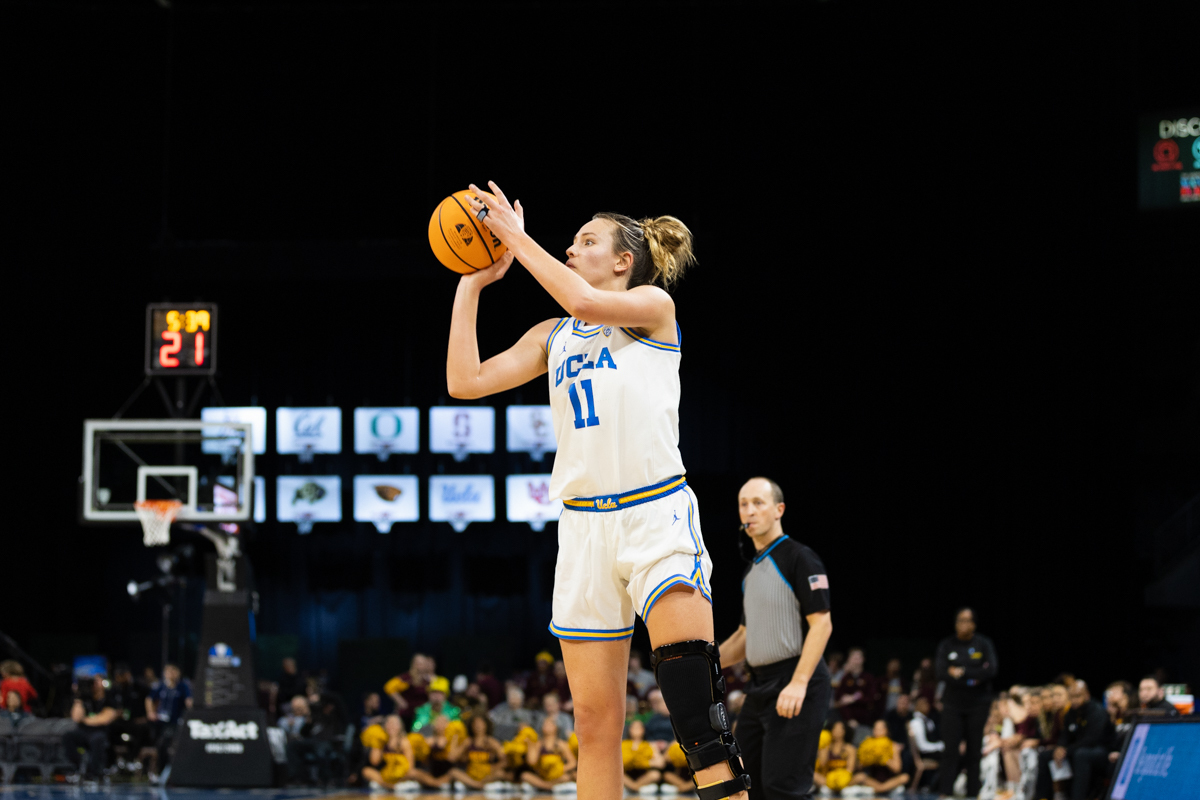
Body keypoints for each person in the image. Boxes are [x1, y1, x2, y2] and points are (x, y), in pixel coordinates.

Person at [447, 182, 747, 800]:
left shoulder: (652, 308)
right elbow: (464, 381)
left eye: (588, 241)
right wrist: (472, 282)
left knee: (696, 709)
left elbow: (582, 297)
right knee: (594, 723)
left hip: (654, 515)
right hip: (583, 530)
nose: (572, 247)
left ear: (623, 262)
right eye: (572, 241)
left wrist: (515, 237)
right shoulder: (551, 335)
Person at [719, 477, 834, 800]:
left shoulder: (800, 558)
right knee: (748, 784)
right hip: (760, 688)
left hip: (798, 681)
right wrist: (703, 664)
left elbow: (822, 625)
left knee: (784, 788)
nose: (749, 511)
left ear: (778, 509)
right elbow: (744, 636)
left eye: (758, 503)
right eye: (743, 504)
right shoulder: (750, 572)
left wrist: (798, 683)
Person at [935, 607, 998, 799]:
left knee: (974, 750)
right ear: (955, 624)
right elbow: (941, 672)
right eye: (960, 620)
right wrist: (974, 675)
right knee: (950, 750)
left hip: (978, 704)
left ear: (974, 624)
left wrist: (961, 673)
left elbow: (991, 670)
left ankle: (973, 794)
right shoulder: (947, 645)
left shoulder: (983, 644)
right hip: (953, 704)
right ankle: (945, 792)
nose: (963, 624)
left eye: (967, 620)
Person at [1034, 680, 1111, 800]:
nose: (1074, 700)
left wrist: (1066, 750)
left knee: (1081, 755)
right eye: (1071, 697)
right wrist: (1060, 747)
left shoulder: (1097, 711)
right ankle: (1043, 797)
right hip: (1075, 748)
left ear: (1086, 695)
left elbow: (1091, 740)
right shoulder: (1071, 712)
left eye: (1078, 696)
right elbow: (1065, 734)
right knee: (1045, 755)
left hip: (1100, 751)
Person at [360, 714, 441, 792]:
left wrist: (397, 769)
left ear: (400, 726)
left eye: (394, 723)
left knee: (413, 773)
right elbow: (374, 762)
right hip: (385, 775)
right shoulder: (381, 740)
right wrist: (377, 745)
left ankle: (437, 784)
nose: (391, 726)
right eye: (389, 723)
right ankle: (392, 786)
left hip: (401, 774)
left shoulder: (404, 742)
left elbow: (410, 766)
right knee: (366, 771)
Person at [65, 675, 121, 781]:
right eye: (93, 682)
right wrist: (78, 697)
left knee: (97, 740)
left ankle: (94, 773)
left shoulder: (109, 698)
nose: (94, 684)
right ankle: (76, 767)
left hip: (101, 731)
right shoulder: (84, 698)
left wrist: (86, 720)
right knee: (68, 736)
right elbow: (76, 718)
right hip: (83, 731)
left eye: (97, 681)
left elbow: (105, 719)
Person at [443, 714, 508, 790]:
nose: (478, 726)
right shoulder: (468, 741)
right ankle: (477, 785)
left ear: (486, 725)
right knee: (453, 772)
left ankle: (476, 785)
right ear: (471, 726)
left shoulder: (491, 742)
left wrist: (493, 768)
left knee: (500, 773)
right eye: (475, 724)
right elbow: (451, 758)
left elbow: (505, 761)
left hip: (487, 775)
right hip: (471, 775)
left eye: (480, 723)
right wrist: (455, 737)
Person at [851, 720, 910, 797]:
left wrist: (885, 760)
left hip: (888, 781)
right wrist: (868, 759)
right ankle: (881, 789)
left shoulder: (892, 746)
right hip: (872, 780)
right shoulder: (867, 744)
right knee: (859, 777)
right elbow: (858, 767)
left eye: (881, 729)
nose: (878, 732)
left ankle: (881, 788)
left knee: (905, 777)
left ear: (887, 731)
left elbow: (897, 769)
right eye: (875, 729)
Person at [519, 716, 577, 792]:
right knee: (525, 776)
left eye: (550, 724)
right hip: (542, 776)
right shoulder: (539, 744)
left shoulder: (561, 744)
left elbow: (573, 762)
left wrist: (560, 769)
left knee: (566, 777)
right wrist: (530, 745)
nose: (546, 726)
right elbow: (532, 762)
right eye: (545, 724)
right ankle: (549, 787)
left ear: (556, 727)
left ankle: (543, 787)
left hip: (557, 776)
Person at [833, 648, 878, 741]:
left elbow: (872, 698)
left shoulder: (868, 678)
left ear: (863, 659)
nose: (856, 660)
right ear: (849, 659)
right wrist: (848, 719)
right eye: (853, 657)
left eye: (858, 657)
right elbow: (839, 700)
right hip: (846, 723)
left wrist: (854, 698)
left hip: (865, 722)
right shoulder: (845, 678)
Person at [621, 719, 665, 792]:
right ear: (629, 730)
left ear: (643, 730)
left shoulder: (649, 745)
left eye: (639, 728)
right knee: (616, 775)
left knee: (655, 774)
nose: (636, 730)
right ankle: (636, 788)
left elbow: (661, 763)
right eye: (634, 728)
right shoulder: (623, 744)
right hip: (627, 773)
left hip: (643, 774)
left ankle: (634, 788)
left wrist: (643, 762)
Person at [814, 721, 855, 796]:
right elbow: (822, 764)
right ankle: (829, 789)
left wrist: (841, 781)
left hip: (844, 779)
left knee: (860, 777)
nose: (837, 731)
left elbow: (849, 770)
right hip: (827, 779)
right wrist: (824, 747)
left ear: (844, 731)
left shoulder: (849, 749)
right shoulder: (826, 747)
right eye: (835, 728)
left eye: (840, 729)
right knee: (813, 775)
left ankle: (838, 789)